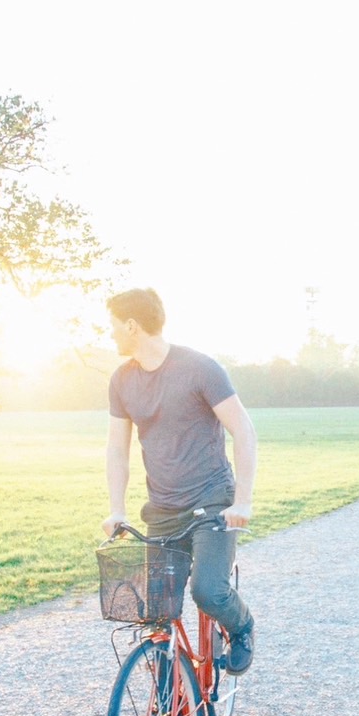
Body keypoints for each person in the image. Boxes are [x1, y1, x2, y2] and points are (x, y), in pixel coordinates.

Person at [102, 287, 257, 674]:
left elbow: (244, 430)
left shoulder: (200, 368)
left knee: (208, 591)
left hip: (212, 503)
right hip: (163, 511)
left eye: (114, 326)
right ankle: (172, 706)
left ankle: (242, 627)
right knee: (155, 614)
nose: (110, 334)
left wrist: (243, 500)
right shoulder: (121, 380)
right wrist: (117, 510)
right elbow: (117, 451)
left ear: (133, 326)